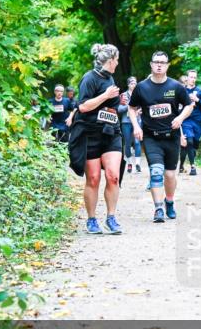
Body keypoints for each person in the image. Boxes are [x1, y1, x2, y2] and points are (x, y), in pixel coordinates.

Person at [128, 51, 194, 223]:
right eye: (156, 62)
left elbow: (189, 105)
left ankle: (169, 202)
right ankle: (158, 208)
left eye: (162, 62)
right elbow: (131, 108)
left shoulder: (176, 87)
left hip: (171, 137)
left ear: (167, 65)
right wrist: (136, 126)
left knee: (170, 175)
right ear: (151, 64)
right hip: (151, 137)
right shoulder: (141, 87)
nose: (159, 65)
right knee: (156, 172)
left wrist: (180, 118)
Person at [68, 44, 125, 235]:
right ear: (110, 60)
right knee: (93, 178)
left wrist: (119, 102)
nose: (118, 63)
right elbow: (83, 107)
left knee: (113, 176)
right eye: (117, 59)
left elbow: (109, 106)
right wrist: (105, 96)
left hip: (110, 133)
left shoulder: (110, 77)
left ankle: (111, 217)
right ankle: (91, 220)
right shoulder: (89, 78)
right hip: (90, 134)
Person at [179, 69, 201, 175]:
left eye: (194, 77)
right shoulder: (181, 90)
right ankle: (193, 167)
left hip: (198, 121)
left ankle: (181, 166)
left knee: (193, 145)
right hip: (186, 120)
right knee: (189, 141)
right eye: (191, 77)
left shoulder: (200, 90)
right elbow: (176, 105)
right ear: (187, 78)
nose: (192, 79)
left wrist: (197, 100)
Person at [119, 76, 143, 174]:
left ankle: (137, 164)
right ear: (128, 84)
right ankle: (129, 163)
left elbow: (143, 107)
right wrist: (129, 106)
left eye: (135, 83)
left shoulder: (139, 94)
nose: (134, 84)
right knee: (127, 144)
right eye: (132, 83)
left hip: (137, 121)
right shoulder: (123, 95)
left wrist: (140, 111)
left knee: (137, 142)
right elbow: (119, 109)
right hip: (126, 122)